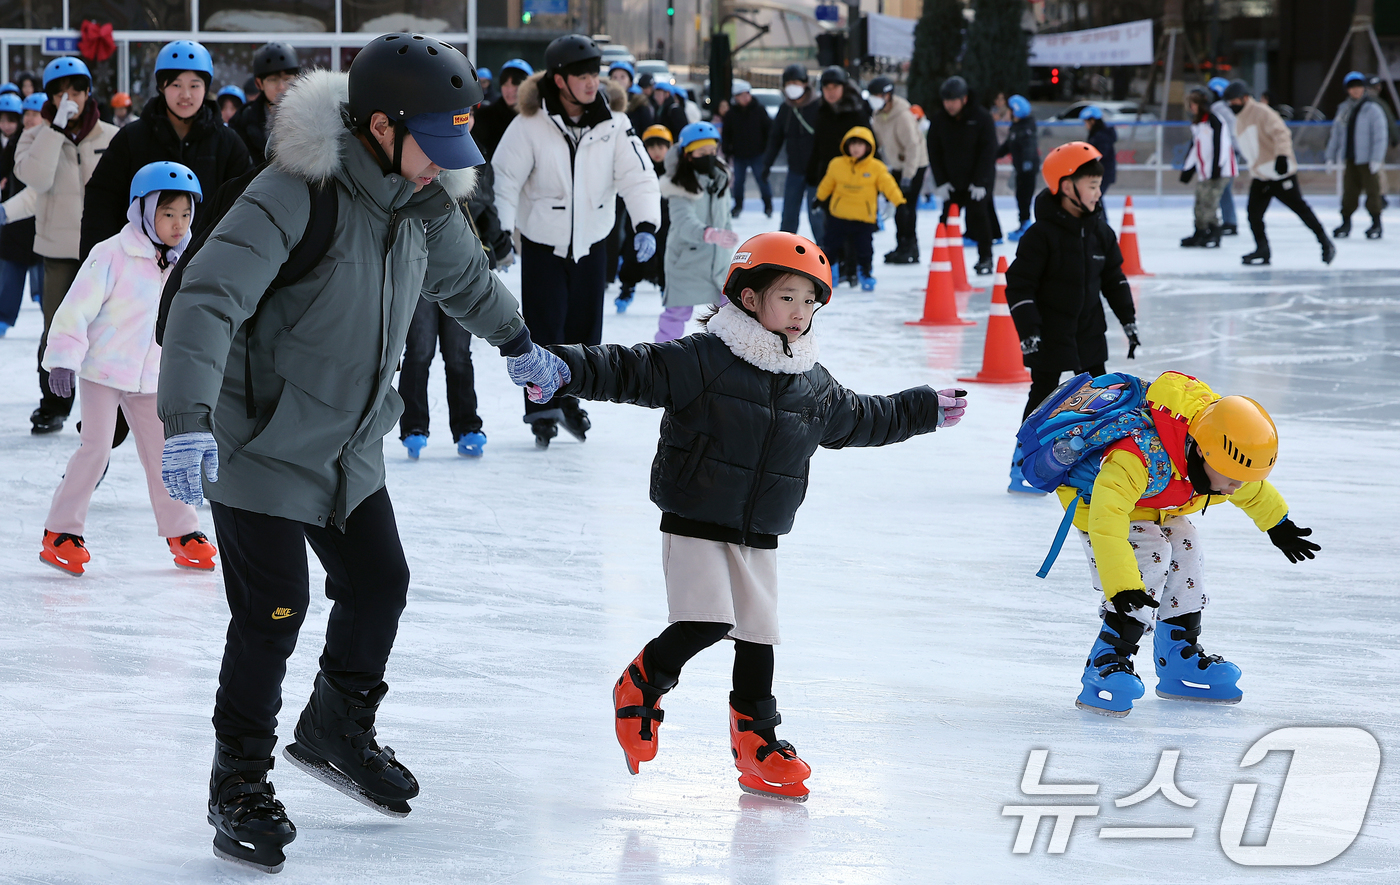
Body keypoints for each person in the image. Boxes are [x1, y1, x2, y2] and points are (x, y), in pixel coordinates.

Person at [156, 35, 566, 874]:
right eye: (433, 146)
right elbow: (207, 297)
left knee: (381, 582)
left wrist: (520, 343)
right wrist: (188, 415)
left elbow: (468, 283)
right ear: (380, 126)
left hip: (350, 444)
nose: (441, 167)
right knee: (273, 611)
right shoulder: (293, 193)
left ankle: (337, 724)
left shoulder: (421, 202)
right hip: (261, 439)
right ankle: (238, 780)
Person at [541, 231, 967, 801]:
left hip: (761, 529)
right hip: (697, 514)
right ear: (747, 297)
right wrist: (562, 367)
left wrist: (922, 408)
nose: (801, 312)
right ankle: (641, 683)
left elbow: (865, 417)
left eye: (810, 301)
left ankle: (756, 740)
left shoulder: (811, 385)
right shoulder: (703, 358)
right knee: (708, 620)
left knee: (758, 636)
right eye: (787, 297)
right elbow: (630, 369)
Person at [1051, 371, 1319, 717]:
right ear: (1202, 455)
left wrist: (1278, 523)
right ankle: (1108, 660)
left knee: (1186, 544)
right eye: (1232, 479)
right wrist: (1121, 584)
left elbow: (1252, 489)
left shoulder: (1212, 458)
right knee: (1152, 554)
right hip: (1098, 505)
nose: (1237, 487)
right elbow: (1108, 517)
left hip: (1154, 503)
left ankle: (1178, 656)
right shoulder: (1139, 456)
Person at [39, 162, 215, 576]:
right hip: (102, 371)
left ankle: (182, 531)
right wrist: (63, 358)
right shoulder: (111, 254)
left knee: (163, 454)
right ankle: (60, 532)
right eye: (168, 213)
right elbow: (74, 309)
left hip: (152, 376)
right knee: (96, 449)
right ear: (144, 210)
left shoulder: (186, 262)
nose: (178, 224)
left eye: (185, 214)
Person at [492, 34, 661, 448]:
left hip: (593, 243)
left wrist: (645, 225)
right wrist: (501, 233)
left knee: (584, 333)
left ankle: (568, 400)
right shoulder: (529, 123)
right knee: (543, 329)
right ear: (560, 79)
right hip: (542, 244)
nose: (591, 83)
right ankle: (540, 410)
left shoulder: (614, 124)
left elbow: (638, 176)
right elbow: (505, 181)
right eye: (581, 75)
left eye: (594, 74)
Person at [1004, 142, 1138, 492]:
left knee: (1103, 399)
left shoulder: (1101, 233)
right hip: (1049, 333)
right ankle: (1023, 463)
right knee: (1044, 397)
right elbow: (1019, 285)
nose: (1098, 193)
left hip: (1089, 331)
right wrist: (1029, 329)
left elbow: (1114, 279)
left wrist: (1128, 319)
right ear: (1067, 187)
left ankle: (1098, 465)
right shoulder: (1040, 236)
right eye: (1092, 186)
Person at [10, 57, 118, 434]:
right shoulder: (34, 135)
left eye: (75, 90)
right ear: (50, 97)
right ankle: (54, 404)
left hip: (102, 251)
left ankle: (103, 412)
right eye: (59, 92)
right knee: (57, 329)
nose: (68, 98)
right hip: (56, 251)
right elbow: (35, 179)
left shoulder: (110, 135)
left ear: (88, 93)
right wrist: (53, 129)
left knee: (106, 330)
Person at [81, 39, 253, 259]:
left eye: (194, 85)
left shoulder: (228, 143)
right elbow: (101, 202)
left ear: (206, 87)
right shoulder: (131, 138)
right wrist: (97, 262)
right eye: (176, 85)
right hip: (138, 265)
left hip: (206, 264)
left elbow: (245, 205)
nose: (186, 95)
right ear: (162, 86)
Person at [1226, 80, 1335, 266]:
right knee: (1253, 213)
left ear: (1244, 98)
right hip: (1261, 175)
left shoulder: (1262, 112)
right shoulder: (1239, 120)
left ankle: (1325, 242)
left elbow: (1282, 133)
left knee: (1300, 209)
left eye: (1234, 101)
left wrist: (1282, 157)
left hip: (1280, 173)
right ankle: (1263, 249)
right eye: (1229, 102)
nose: (1231, 105)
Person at [656, 121, 736, 341]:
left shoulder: (719, 179)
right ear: (689, 155)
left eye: (712, 151)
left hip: (718, 261)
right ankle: (660, 358)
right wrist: (708, 233)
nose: (709, 156)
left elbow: (725, 216)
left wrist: (727, 234)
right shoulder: (679, 184)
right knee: (677, 314)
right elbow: (683, 222)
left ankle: (730, 356)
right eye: (702, 152)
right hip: (686, 260)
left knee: (733, 311)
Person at [816, 126, 905, 291]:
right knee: (831, 246)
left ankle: (865, 273)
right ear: (847, 146)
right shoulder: (837, 164)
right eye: (853, 144)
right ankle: (830, 275)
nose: (856, 148)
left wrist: (899, 202)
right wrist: (819, 199)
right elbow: (827, 183)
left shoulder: (876, 167)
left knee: (865, 249)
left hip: (864, 218)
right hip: (839, 216)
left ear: (868, 147)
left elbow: (889, 185)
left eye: (860, 144)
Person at [805, 67, 871, 285]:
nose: (831, 92)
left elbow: (869, 144)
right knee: (832, 224)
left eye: (835, 87)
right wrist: (813, 174)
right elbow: (817, 145)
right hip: (829, 176)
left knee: (851, 224)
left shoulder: (857, 111)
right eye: (826, 87)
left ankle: (852, 268)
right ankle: (836, 265)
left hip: (854, 178)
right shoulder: (821, 111)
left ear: (844, 88)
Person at [927, 76, 997, 274]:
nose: (949, 105)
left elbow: (989, 150)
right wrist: (941, 181)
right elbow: (934, 151)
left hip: (978, 179)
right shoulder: (939, 120)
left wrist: (981, 181)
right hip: (951, 181)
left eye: (954, 100)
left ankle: (986, 258)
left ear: (964, 99)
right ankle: (942, 257)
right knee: (947, 218)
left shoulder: (981, 117)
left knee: (979, 216)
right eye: (946, 100)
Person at [867, 76, 928, 264]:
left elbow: (913, 146)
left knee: (906, 208)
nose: (874, 99)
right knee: (899, 207)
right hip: (897, 166)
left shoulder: (902, 115)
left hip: (914, 165)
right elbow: (877, 141)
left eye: (878, 95)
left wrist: (908, 176)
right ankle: (902, 245)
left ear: (888, 95)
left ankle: (910, 247)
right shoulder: (878, 115)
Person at [616, 124, 674, 312]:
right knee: (633, 256)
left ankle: (667, 291)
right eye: (651, 147)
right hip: (639, 223)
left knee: (666, 258)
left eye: (661, 147)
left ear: (669, 148)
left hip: (666, 224)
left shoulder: (674, 171)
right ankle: (627, 288)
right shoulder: (638, 169)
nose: (656, 152)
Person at [0, 93, 45, 334]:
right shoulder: (17, 142)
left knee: (46, 278)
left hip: (42, 222)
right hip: (15, 219)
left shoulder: (51, 142)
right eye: (26, 114)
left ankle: (50, 317)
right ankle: (3, 318)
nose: (29, 119)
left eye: (34, 114)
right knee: (11, 273)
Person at [763, 63, 823, 242]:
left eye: (796, 82)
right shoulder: (785, 109)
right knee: (788, 216)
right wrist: (767, 164)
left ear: (806, 83)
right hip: (795, 171)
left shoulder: (819, 106)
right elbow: (775, 139)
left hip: (817, 173)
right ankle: (785, 252)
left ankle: (827, 257)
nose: (792, 87)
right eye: (788, 83)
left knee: (818, 218)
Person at [1325, 70, 1388, 240]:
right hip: (1351, 158)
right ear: (1347, 90)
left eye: (1359, 86)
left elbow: (1380, 136)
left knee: (1373, 192)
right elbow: (1336, 134)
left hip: (1367, 160)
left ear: (1364, 88)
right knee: (1349, 192)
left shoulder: (1373, 109)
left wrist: (1376, 158)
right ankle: (1346, 222)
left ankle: (1376, 224)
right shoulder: (1343, 109)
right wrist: (1330, 156)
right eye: (1352, 87)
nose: (1356, 90)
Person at [1179, 88, 1237, 248]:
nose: (1191, 107)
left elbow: (1223, 146)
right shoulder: (1199, 123)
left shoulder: (1215, 120)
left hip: (1219, 171)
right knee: (1200, 201)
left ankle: (1214, 232)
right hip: (1205, 171)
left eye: (1193, 104)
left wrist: (1217, 168)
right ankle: (1200, 231)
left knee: (1209, 202)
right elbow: (1195, 148)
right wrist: (1187, 170)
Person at [229, 41, 301, 165]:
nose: (281, 87)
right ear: (259, 83)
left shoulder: (311, 116)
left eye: (287, 79)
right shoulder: (242, 121)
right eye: (273, 80)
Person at [721, 79, 772, 217]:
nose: (745, 98)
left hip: (757, 153)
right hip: (739, 154)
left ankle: (768, 205)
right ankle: (738, 206)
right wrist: (727, 150)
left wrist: (766, 149)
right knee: (738, 183)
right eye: (741, 95)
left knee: (762, 180)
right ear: (736, 98)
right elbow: (726, 134)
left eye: (746, 94)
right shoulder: (731, 114)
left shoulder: (759, 110)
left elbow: (769, 130)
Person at [471, 58, 531, 161]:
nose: (510, 90)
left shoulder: (538, 116)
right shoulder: (484, 117)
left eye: (516, 84)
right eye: (505, 84)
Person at [998, 94, 1039, 241]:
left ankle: (1026, 226)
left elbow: (1029, 146)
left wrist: (1027, 164)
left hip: (1027, 170)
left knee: (1024, 197)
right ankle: (1023, 223)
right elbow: (1008, 146)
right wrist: (993, 155)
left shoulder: (1026, 128)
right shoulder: (1016, 127)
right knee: (1020, 197)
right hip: (1021, 169)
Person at [1207, 77, 1239, 235]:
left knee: (1222, 188)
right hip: (1228, 152)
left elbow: (1231, 130)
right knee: (1223, 188)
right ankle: (1228, 220)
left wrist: (1236, 149)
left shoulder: (1218, 108)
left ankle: (1229, 222)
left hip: (1226, 154)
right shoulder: (1224, 108)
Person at [1079, 106, 1116, 196]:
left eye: (1086, 122)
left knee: (1094, 199)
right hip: (1099, 173)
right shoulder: (1097, 135)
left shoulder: (1101, 136)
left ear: (1092, 121)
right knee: (1094, 200)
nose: (1085, 126)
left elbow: (1100, 155)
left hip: (1102, 174)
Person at [610, 60, 654, 134]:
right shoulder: (605, 103)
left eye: (622, 77)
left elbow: (647, 131)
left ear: (630, 83)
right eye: (614, 77)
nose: (618, 81)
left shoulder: (639, 104)